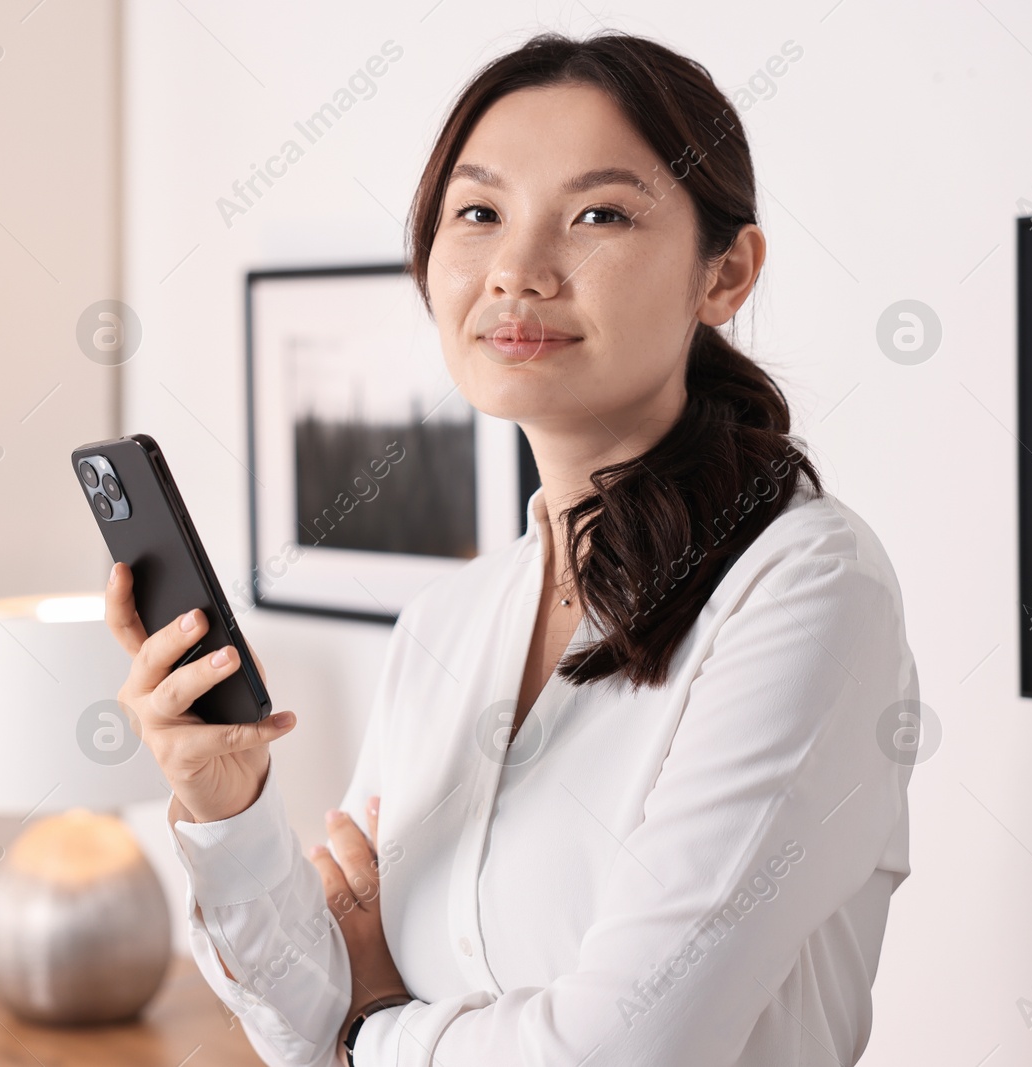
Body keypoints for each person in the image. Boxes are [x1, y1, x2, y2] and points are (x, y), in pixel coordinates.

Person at [104, 30, 918, 1067]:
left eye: (599, 215)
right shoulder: (452, 620)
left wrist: (375, 1019)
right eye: (478, 213)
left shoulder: (806, 589)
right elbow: (297, 1022)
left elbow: (624, 1050)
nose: (517, 272)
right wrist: (226, 804)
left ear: (726, 274)